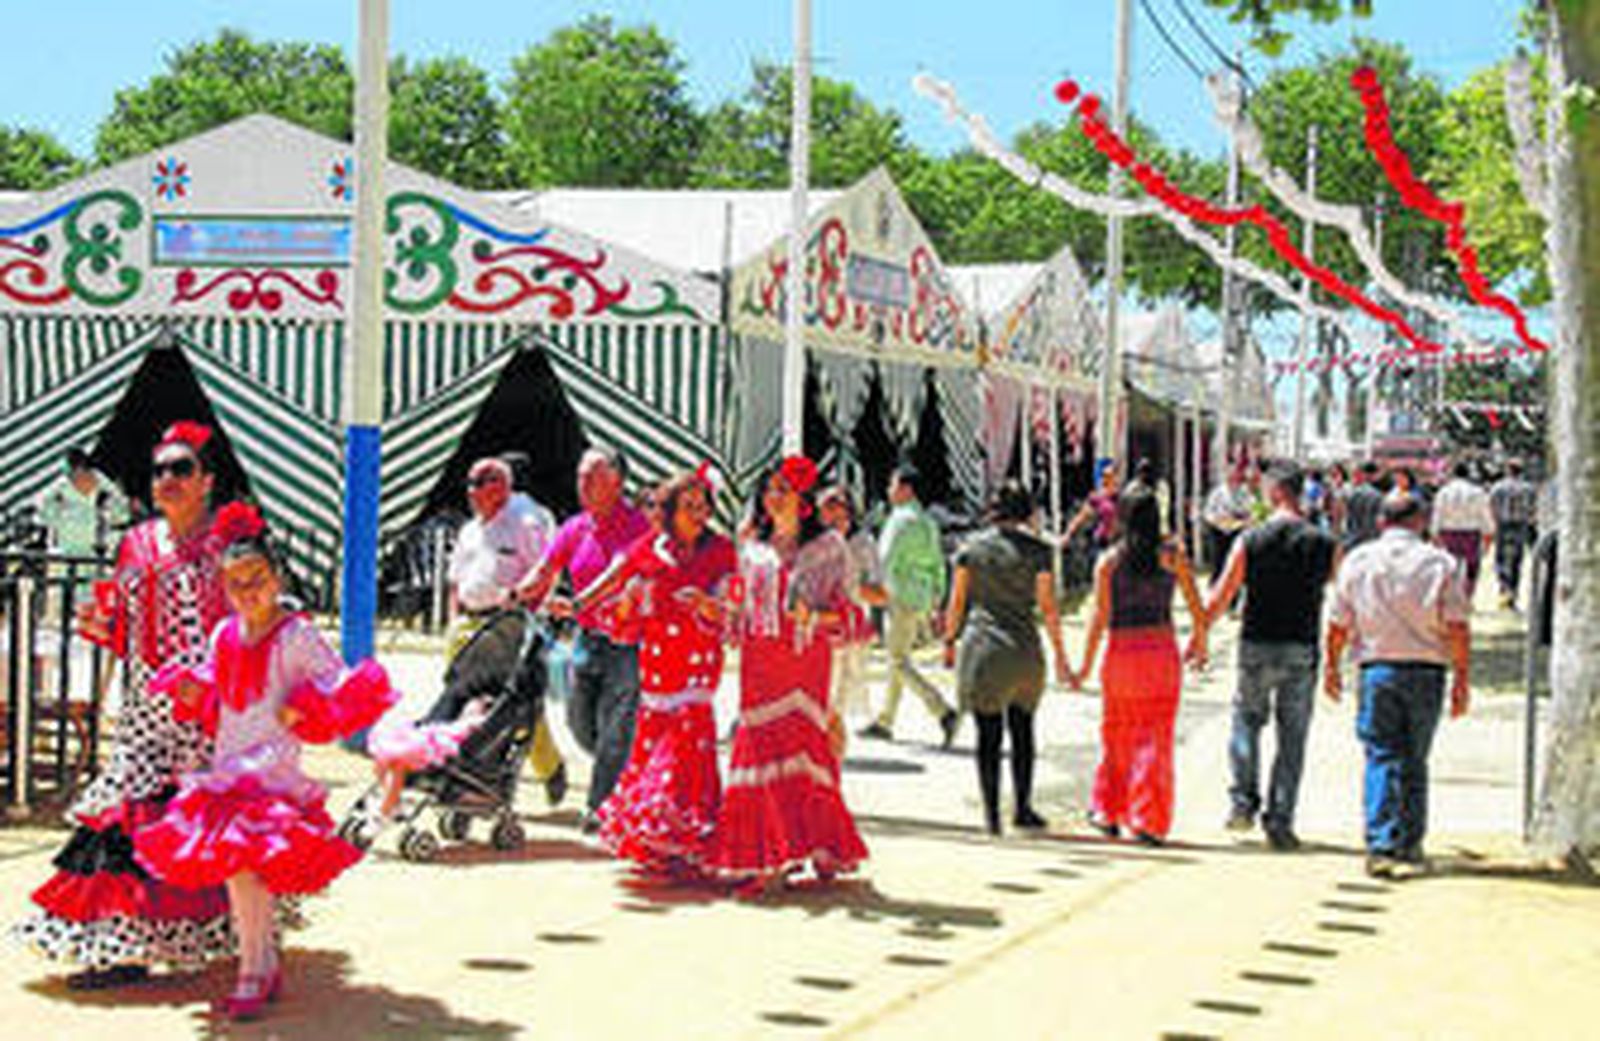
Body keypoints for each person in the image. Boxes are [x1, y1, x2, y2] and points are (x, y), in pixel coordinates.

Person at [130, 504, 396, 1020]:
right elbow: (218, 696)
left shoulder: (295, 635)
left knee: (249, 873)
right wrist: (192, 690)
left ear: (276, 579)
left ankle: (254, 970)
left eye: (257, 580)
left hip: (270, 773)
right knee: (239, 873)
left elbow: (339, 681)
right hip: (228, 767)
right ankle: (262, 962)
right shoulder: (224, 635)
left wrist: (308, 704)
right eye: (235, 584)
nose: (248, 592)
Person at [12, 422, 233, 988]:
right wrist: (100, 628)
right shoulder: (136, 542)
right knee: (125, 819)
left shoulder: (228, 543)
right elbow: (121, 622)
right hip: (142, 712)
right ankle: (124, 948)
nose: (167, 480)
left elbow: (257, 622)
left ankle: (226, 937)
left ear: (206, 480)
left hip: (208, 714)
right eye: (159, 470)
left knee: (197, 822)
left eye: (181, 469)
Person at [711, 456, 867, 894]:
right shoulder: (752, 548)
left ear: (803, 500)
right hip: (761, 666)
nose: (773, 496)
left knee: (806, 747)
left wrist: (814, 614)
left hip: (806, 664)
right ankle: (767, 854)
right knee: (758, 749)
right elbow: (742, 612)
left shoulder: (830, 547)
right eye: (769, 489)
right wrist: (717, 613)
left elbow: (853, 615)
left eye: (782, 488)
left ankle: (818, 844)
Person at [575, 468, 737, 876]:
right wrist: (577, 605)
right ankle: (660, 839)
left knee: (687, 749)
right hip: (659, 663)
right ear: (669, 511)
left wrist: (705, 604)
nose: (699, 514)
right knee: (655, 745)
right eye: (689, 507)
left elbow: (731, 608)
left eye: (703, 507)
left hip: (697, 664)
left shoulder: (720, 550)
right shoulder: (650, 547)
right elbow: (611, 582)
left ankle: (686, 838)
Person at [1325, 491, 1472, 880]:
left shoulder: (1358, 560)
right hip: (1427, 670)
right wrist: (1462, 678)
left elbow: (1338, 621)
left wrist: (1331, 666)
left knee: (1380, 755)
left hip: (1377, 669)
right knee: (1415, 759)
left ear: (1380, 521)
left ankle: (1381, 843)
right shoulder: (1442, 563)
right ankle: (1409, 842)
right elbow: (1457, 625)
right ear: (1421, 521)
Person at [1204, 463, 1339, 851]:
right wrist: (1337, 656)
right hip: (1302, 645)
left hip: (1256, 643)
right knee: (1292, 736)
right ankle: (1280, 819)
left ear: (1275, 492)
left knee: (1246, 721)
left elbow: (1222, 594)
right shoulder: (1324, 543)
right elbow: (1342, 600)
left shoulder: (1250, 539)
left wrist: (1201, 636)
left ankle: (1243, 802)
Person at [516, 447, 650, 830]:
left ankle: (600, 806)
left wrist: (576, 602)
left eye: (593, 476)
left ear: (617, 482)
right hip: (587, 638)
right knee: (580, 724)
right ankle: (626, 768)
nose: (583, 484)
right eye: (581, 476)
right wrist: (518, 591)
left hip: (627, 642)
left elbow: (617, 575)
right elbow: (546, 567)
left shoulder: (637, 525)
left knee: (615, 726)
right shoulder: (575, 526)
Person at [1072, 486, 1208, 846]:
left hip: (1122, 654)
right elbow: (1197, 607)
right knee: (1155, 737)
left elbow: (1099, 619)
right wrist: (1200, 640)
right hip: (1162, 652)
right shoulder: (1173, 556)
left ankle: (1108, 811)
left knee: (1116, 732)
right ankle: (1147, 818)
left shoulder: (1109, 563)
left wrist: (1083, 667)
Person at [943, 481, 1070, 836]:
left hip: (983, 647)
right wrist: (1060, 654)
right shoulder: (1039, 552)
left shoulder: (970, 550)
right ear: (1028, 511)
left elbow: (957, 602)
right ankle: (1024, 808)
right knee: (1023, 730)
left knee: (988, 735)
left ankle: (991, 815)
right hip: (1026, 649)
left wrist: (949, 640)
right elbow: (1048, 607)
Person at [448, 457, 566, 806]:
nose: (472, 490)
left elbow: (544, 571)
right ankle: (463, 771)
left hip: (505, 625)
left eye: (482, 481)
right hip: (465, 626)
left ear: (503, 485)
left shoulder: (525, 522)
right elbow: (455, 579)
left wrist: (530, 616)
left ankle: (546, 767)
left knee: (509, 703)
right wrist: (452, 619)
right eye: (470, 482)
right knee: (460, 701)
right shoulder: (469, 529)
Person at [859, 464, 958, 747]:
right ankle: (885, 720)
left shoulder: (899, 520)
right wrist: (936, 599)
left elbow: (884, 558)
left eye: (893, 485)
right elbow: (939, 563)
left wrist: (871, 589)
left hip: (898, 595)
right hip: (922, 595)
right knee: (897, 657)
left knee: (898, 661)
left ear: (906, 489)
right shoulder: (927, 521)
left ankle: (941, 710)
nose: (889, 491)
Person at [818, 485, 886, 738]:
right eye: (827, 512)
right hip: (816, 625)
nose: (833, 519)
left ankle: (829, 745)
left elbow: (881, 593)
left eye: (839, 512)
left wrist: (850, 590)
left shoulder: (862, 544)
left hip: (849, 630)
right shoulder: (811, 541)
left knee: (838, 695)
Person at [35, 446, 130, 558]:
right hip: (71, 538)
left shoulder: (90, 478)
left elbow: (42, 504)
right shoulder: (68, 482)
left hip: (81, 535)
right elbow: (120, 502)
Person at [1431, 461, 1495, 602]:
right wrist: (1488, 535)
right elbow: (1484, 514)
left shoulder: (1444, 492)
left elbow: (1437, 513)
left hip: (1448, 533)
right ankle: (1468, 596)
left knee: (1448, 566)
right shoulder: (1477, 492)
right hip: (1471, 534)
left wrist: (1434, 534)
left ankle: (1448, 596)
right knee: (1472, 567)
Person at [1488, 458, 1538, 610]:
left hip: (1503, 525)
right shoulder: (1528, 488)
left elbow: (1492, 506)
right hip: (1520, 526)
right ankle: (1513, 594)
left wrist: (1495, 521)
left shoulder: (1498, 487)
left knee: (1500, 559)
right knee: (1516, 560)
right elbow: (1532, 510)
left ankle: (1504, 590)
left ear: (1507, 469)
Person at [1202, 466, 1253, 574]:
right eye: (1230, 474)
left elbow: (1250, 512)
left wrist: (1243, 520)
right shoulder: (1216, 493)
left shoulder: (1245, 493)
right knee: (1218, 563)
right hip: (1218, 532)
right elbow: (1207, 513)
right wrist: (1217, 520)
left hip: (1237, 531)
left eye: (1236, 474)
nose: (1233, 477)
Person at [1343, 461, 1385, 550]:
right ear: (1375, 474)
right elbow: (1380, 520)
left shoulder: (1354, 493)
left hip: (1354, 537)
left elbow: (1349, 518)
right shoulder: (1378, 495)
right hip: (1372, 539)